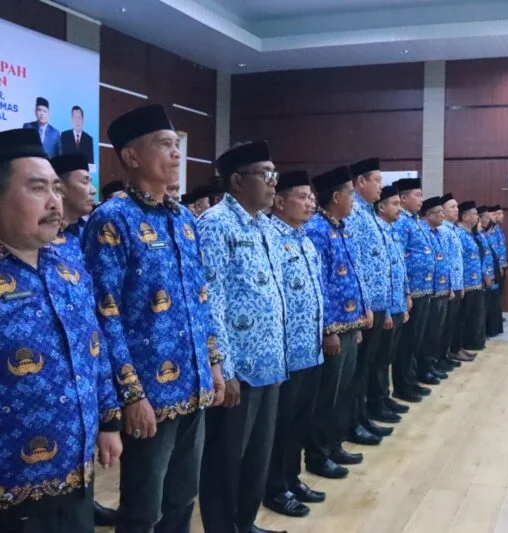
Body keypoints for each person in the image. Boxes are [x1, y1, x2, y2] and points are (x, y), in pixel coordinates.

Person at [82, 104, 225, 532]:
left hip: (194, 385)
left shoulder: (183, 219)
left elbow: (201, 299)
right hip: (149, 394)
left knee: (183, 497)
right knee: (144, 509)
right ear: (131, 156)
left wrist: (214, 363)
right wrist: (130, 395)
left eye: (176, 145)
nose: (176, 153)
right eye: (165, 145)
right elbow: (104, 315)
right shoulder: (112, 219)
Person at [0, 128, 122, 533]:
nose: (55, 201)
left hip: (75, 469)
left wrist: (109, 423)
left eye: (56, 187)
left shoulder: (68, 264)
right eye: (38, 189)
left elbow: (94, 349)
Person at [196, 141, 287, 533]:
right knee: (224, 462)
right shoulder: (215, 224)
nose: (273, 183)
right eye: (265, 174)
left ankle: (245, 525)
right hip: (239, 370)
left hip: (270, 364)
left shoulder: (266, 225)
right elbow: (210, 300)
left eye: (274, 174)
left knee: (256, 460)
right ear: (236, 181)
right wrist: (225, 369)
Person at [50, 153, 120, 527]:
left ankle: (86, 502)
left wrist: (109, 419)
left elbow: (91, 328)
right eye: (83, 180)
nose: (91, 189)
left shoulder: (75, 239)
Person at [263, 170, 327, 518]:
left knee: (300, 421)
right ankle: (274, 487)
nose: (310, 202)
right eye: (302, 197)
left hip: (310, 349)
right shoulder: (270, 237)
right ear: (279, 201)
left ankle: (292, 478)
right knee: (279, 426)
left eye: (311, 196)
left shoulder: (304, 238)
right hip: (285, 354)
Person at [304, 165, 368, 480]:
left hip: (350, 323)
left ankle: (334, 444)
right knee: (326, 394)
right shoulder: (317, 229)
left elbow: (351, 274)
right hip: (333, 328)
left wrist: (359, 317)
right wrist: (328, 329)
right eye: (350, 193)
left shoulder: (340, 227)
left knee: (343, 389)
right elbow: (320, 285)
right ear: (335, 196)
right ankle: (318, 455)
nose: (353, 199)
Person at [344, 157, 392, 444]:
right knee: (357, 371)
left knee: (366, 369)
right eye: (377, 180)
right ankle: (352, 424)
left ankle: (361, 417)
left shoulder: (369, 213)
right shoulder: (353, 213)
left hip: (378, 302)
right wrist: (364, 305)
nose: (380, 187)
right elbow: (356, 263)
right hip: (366, 305)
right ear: (361, 181)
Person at [367, 185, 412, 417]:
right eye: (395, 204)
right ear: (381, 207)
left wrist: (406, 295)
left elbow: (398, 267)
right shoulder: (375, 230)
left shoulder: (392, 231)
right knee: (378, 359)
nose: (399, 208)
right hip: (385, 306)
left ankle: (384, 397)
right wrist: (384, 310)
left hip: (396, 302)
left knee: (388, 357)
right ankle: (376, 402)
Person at [392, 177, 436, 401]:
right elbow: (399, 257)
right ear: (403, 198)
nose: (421, 199)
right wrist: (406, 291)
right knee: (407, 342)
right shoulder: (400, 222)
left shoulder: (415, 220)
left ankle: (412, 379)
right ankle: (403, 385)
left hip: (424, 287)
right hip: (413, 289)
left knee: (417, 339)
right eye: (417, 195)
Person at [419, 196, 453, 381]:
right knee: (428, 333)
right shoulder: (422, 231)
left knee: (436, 332)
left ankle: (432, 364)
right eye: (438, 212)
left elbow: (443, 261)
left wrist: (449, 286)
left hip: (441, 288)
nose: (442, 215)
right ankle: (424, 368)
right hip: (429, 291)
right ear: (428, 215)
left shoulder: (437, 233)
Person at [439, 193, 470, 365]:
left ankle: (451, 351)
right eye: (452, 207)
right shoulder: (442, 230)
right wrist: (451, 286)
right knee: (445, 325)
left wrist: (461, 284)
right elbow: (445, 260)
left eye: (457, 206)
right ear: (442, 211)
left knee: (454, 322)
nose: (456, 210)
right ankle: (443, 355)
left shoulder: (454, 230)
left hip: (457, 283)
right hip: (448, 285)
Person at [50, 154, 95, 265]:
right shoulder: (45, 238)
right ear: (60, 188)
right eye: (85, 182)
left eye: (90, 182)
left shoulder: (90, 228)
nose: (93, 190)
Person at [453, 201, 483, 356]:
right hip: (465, 283)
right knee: (460, 318)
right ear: (465, 217)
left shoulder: (470, 234)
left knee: (469, 317)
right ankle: (457, 348)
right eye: (474, 214)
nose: (477, 217)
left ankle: (463, 346)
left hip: (474, 282)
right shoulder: (459, 233)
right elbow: (458, 260)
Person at [474, 206, 496, 345]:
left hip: (487, 272)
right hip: (478, 277)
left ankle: (484, 332)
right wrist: (485, 274)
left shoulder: (482, 234)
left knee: (485, 306)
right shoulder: (475, 235)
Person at [481, 206, 502, 338]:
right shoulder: (481, 234)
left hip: (493, 269)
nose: (488, 219)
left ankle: (493, 327)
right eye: (486, 217)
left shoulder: (487, 233)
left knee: (494, 298)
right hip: (485, 273)